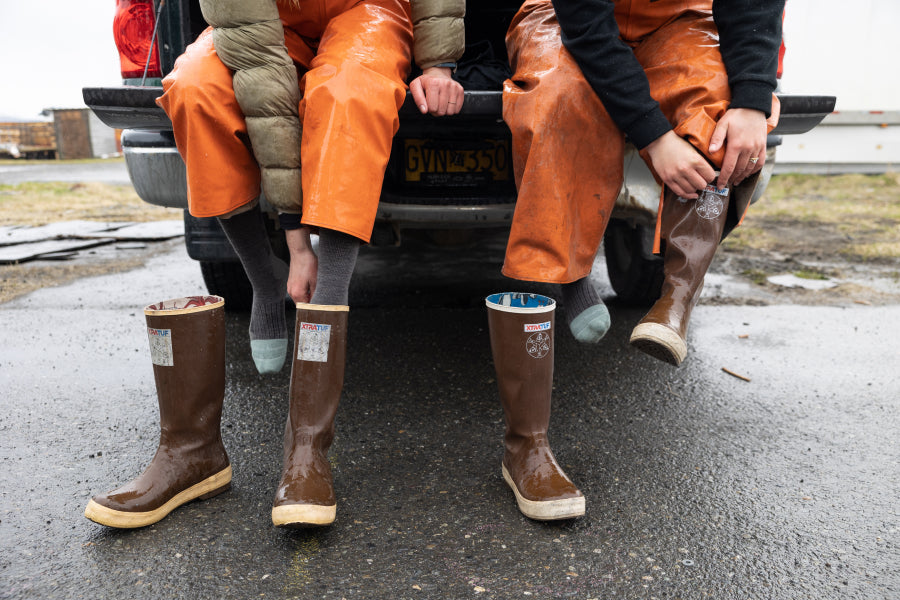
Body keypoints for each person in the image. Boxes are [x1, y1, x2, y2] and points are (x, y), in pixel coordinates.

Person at [84, 0, 466, 529]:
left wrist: (438, 61)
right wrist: (292, 241)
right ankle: (195, 450)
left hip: (368, 7)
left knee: (350, 89)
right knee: (194, 88)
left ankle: (307, 445)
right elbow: (265, 87)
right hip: (259, 18)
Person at [502, 0, 782, 366]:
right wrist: (656, 138)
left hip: (681, 15)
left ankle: (678, 297)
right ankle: (569, 279)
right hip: (565, 14)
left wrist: (752, 98)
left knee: (716, 116)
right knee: (560, 99)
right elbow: (587, 29)